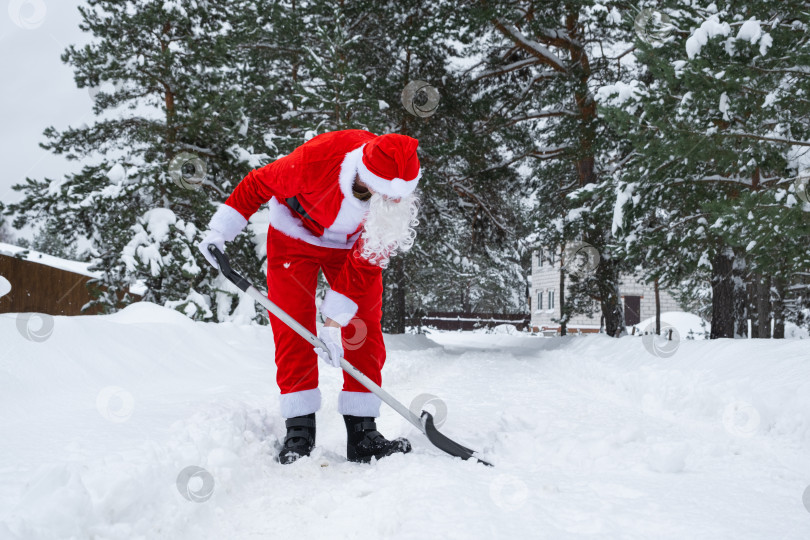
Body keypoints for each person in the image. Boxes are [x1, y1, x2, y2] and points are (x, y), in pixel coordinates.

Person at [198, 129, 421, 464]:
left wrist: (334, 322)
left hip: (351, 246)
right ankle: (299, 431)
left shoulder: (393, 202)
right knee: (292, 326)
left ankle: (362, 433)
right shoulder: (317, 160)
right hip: (296, 234)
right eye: (387, 194)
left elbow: (368, 263)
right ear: (369, 175)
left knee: (363, 327)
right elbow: (257, 183)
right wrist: (220, 232)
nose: (394, 202)